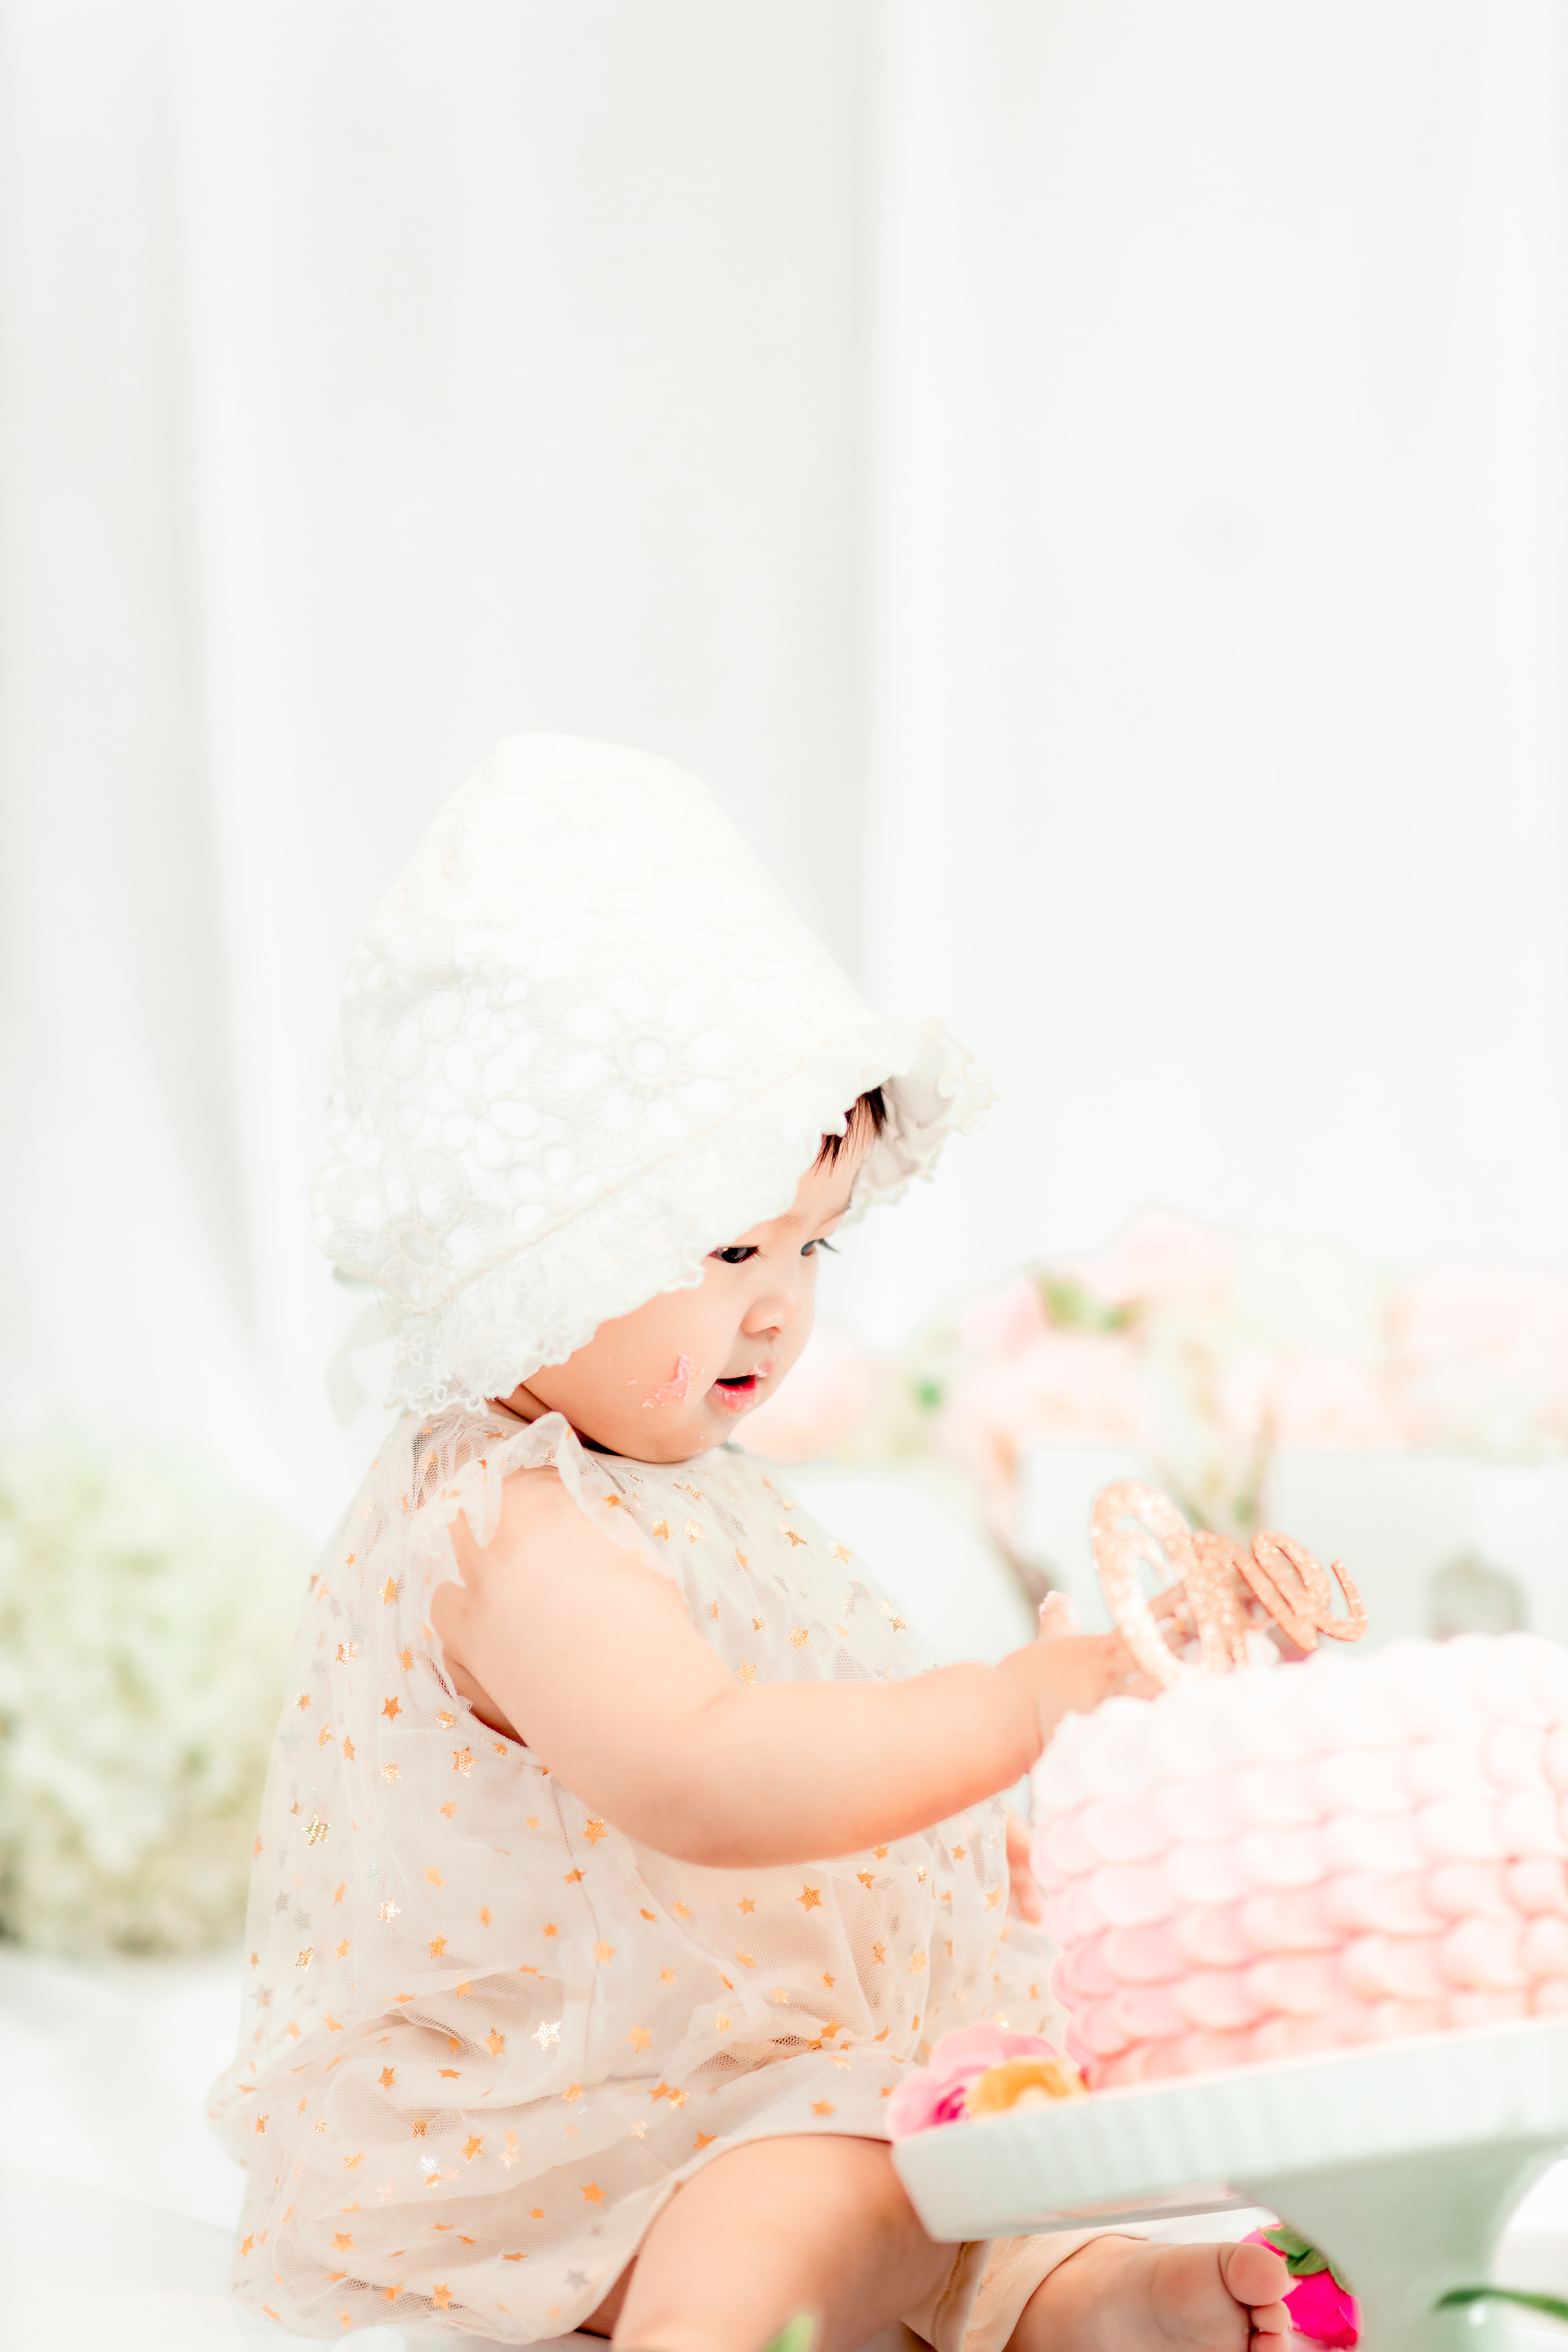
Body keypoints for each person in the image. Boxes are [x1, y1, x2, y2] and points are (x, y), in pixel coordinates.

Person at [210, 736, 1288, 2352]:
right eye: (727, 1250)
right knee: (824, 2182)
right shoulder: (510, 1524)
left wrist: (988, 1850)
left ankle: (1099, 2297)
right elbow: (704, 1774)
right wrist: (1011, 1708)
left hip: (765, 2049)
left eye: (812, 1246)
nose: (779, 1310)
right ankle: (721, 2322)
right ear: (540, 1254)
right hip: (577, 2113)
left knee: (994, 2132)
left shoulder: (671, 1482)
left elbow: (817, 1762)